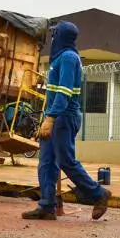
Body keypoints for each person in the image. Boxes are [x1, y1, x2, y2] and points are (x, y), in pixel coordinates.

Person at [21, 21, 112, 221]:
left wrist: (51, 118)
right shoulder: (60, 58)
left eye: (55, 35)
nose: (52, 39)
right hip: (54, 116)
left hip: (63, 117)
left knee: (66, 161)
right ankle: (47, 206)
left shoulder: (69, 58)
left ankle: (99, 194)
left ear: (61, 36)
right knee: (46, 162)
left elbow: (64, 92)